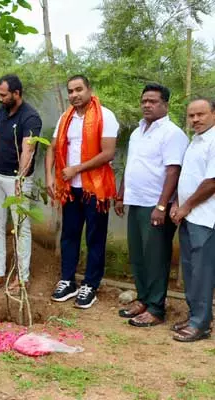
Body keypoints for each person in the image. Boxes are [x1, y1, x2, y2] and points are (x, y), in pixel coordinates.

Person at [114, 84, 188, 327]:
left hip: (155, 206)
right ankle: (143, 298)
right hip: (136, 201)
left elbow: (173, 171)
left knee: (156, 257)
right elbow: (131, 165)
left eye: (153, 101)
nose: (147, 104)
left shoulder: (172, 133)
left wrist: (162, 206)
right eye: (144, 100)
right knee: (139, 256)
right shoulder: (138, 132)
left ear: (165, 105)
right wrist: (121, 194)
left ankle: (156, 308)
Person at [45, 75, 119, 309]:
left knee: (95, 237)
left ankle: (90, 284)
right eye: (71, 91)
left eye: (79, 89)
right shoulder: (65, 118)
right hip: (70, 188)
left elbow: (108, 153)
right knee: (69, 234)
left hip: (95, 188)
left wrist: (77, 168)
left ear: (89, 90)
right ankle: (67, 280)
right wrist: (49, 176)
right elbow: (52, 147)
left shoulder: (104, 115)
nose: (74, 94)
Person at [0, 75, 42, 294]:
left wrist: (21, 179)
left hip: (17, 179)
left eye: (3, 95)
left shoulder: (31, 118)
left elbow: (28, 150)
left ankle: (21, 277)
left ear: (16, 93)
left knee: (22, 228)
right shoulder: (1, 113)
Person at [169, 98, 215, 342]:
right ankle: (195, 315)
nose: (195, 120)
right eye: (191, 116)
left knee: (202, 271)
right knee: (190, 269)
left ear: (214, 114)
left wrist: (185, 206)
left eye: (201, 114)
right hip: (189, 216)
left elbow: (212, 182)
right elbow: (188, 177)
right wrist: (178, 203)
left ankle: (201, 324)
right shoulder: (196, 140)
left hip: (205, 218)